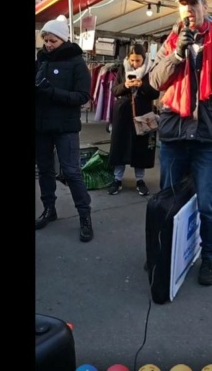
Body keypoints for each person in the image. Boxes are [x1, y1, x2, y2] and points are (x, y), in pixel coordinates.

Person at [148, 0, 212, 286]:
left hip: (207, 138)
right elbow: (155, 81)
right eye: (183, 4)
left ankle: (209, 255)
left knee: (207, 205)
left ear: (205, 7)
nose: (189, 9)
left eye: (194, 3)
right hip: (174, 135)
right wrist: (177, 54)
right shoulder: (171, 41)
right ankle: (164, 254)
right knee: (168, 202)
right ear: (179, 10)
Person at [35, 15, 94, 242]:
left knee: (71, 171)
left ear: (63, 39)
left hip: (66, 127)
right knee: (45, 170)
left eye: (53, 41)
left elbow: (82, 96)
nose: (48, 45)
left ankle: (85, 216)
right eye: (46, 40)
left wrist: (50, 91)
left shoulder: (77, 62)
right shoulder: (41, 59)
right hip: (41, 126)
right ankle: (49, 209)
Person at [108, 44, 161, 196]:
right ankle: (117, 179)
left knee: (141, 147)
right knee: (120, 145)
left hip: (143, 113)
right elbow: (114, 90)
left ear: (144, 59)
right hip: (123, 113)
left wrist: (142, 85)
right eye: (132, 60)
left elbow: (155, 93)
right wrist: (125, 85)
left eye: (138, 60)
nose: (134, 64)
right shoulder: (123, 69)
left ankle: (140, 180)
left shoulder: (151, 71)